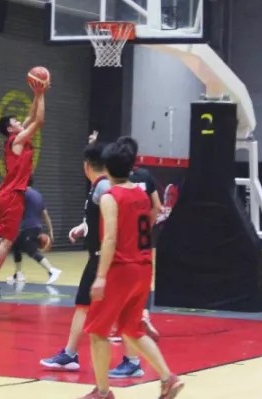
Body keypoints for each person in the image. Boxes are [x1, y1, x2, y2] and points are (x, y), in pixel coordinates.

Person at [80, 141, 184, 399]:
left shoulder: (110, 197)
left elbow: (110, 239)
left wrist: (100, 277)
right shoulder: (140, 193)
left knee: (97, 331)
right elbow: (153, 215)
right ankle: (168, 378)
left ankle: (102, 392)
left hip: (121, 269)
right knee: (131, 328)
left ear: (106, 168)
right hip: (144, 267)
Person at [40, 138, 110, 372]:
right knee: (99, 307)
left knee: (84, 304)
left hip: (101, 257)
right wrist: (84, 227)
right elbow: (101, 218)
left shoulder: (103, 187)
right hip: (99, 255)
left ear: (86, 165)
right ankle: (132, 360)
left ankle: (71, 354)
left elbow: (113, 220)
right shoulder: (98, 186)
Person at [0, 82, 47, 306]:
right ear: (10, 129)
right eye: (16, 122)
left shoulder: (17, 137)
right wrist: (42, 94)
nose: (20, 122)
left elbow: (31, 115)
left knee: (4, 237)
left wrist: (36, 94)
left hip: (9, 194)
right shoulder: (17, 140)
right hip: (11, 195)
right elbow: (39, 121)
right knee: (7, 241)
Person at [109, 135, 164, 379]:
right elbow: (157, 207)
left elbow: (110, 235)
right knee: (138, 293)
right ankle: (144, 316)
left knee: (113, 311)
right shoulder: (145, 180)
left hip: (122, 251)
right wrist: (147, 228)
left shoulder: (116, 188)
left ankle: (105, 385)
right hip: (143, 248)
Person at [0, 184, 62, 285]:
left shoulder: (23, 193)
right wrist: (51, 230)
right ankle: (18, 274)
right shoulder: (38, 195)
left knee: (31, 251)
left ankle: (52, 271)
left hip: (29, 227)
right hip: (36, 227)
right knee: (16, 246)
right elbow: (45, 214)